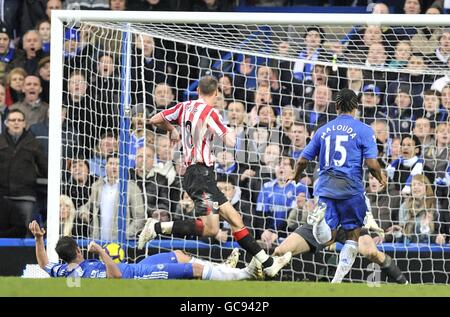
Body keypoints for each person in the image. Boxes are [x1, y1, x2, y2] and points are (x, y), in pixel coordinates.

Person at [139, 75, 292, 277]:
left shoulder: (184, 107)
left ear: (198, 91)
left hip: (198, 174)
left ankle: (268, 263)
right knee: (221, 224)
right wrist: (233, 128)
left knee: (226, 223)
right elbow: (229, 141)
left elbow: (154, 119)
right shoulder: (211, 112)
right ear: (217, 93)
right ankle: (157, 227)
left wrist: (173, 130)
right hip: (200, 174)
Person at [293, 88, 387, 283]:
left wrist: (296, 176)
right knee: (353, 236)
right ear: (356, 107)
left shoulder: (323, 130)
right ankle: (337, 281)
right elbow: (371, 164)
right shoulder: (364, 130)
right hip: (350, 189)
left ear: (336, 107)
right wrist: (379, 177)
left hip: (326, 188)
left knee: (326, 238)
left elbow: (303, 160)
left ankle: (319, 223)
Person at [29, 221, 262, 281]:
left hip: (135, 265)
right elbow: (116, 276)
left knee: (180, 255)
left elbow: (42, 264)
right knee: (195, 269)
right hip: (136, 274)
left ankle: (223, 269)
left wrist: (39, 239)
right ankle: (246, 274)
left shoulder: (61, 271)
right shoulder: (86, 276)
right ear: (79, 251)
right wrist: (101, 251)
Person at [272, 220, 408, 284]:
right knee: (280, 251)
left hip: (349, 223)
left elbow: (362, 198)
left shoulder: (353, 169)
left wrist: (369, 219)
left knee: (371, 252)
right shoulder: (321, 169)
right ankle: (255, 280)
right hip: (323, 223)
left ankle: (403, 283)